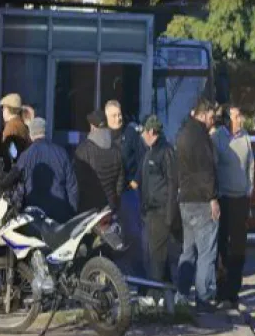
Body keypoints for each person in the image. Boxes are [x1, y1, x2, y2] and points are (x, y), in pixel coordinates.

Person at [175, 99, 220, 312]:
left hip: (185, 200)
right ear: (202, 115)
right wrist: (213, 198)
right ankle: (204, 297)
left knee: (188, 251)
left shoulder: (183, 133)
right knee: (206, 252)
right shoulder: (201, 136)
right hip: (202, 201)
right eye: (211, 118)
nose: (213, 122)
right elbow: (206, 170)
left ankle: (181, 294)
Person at [212, 105, 254, 310]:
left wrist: (249, 191)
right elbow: (212, 164)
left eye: (240, 116)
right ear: (228, 119)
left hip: (241, 200)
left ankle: (234, 291)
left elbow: (250, 167)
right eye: (236, 117)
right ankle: (221, 291)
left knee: (239, 248)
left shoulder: (246, 137)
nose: (240, 120)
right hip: (224, 199)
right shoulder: (218, 138)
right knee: (221, 248)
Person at [105, 100, 147, 275]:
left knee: (133, 238)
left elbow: (143, 159)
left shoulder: (130, 134)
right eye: (114, 115)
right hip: (109, 195)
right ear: (107, 117)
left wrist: (137, 179)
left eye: (120, 114)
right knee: (109, 240)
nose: (119, 118)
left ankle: (141, 284)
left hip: (128, 193)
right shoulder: (103, 136)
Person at [138, 115, 179, 284]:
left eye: (144, 133)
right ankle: (167, 294)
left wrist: (169, 215)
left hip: (160, 212)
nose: (142, 136)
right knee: (157, 254)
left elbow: (172, 183)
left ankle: (156, 294)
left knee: (156, 256)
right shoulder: (150, 151)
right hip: (150, 211)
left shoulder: (165, 151)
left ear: (151, 132)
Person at [16, 118, 78, 224]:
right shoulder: (62, 153)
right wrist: (71, 213)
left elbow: (19, 188)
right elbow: (72, 188)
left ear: (30, 134)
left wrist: (18, 211)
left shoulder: (25, 156)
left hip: (33, 216)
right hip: (59, 214)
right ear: (46, 132)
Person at [74, 110, 124, 213]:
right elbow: (120, 183)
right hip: (109, 209)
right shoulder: (116, 150)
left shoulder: (83, 150)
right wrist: (115, 203)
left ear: (92, 127)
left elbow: (77, 182)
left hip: (89, 210)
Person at [0, 93, 31, 166]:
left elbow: (12, 153)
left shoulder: (11, 127)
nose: (2, 112)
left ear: (8, 109)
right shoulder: (21, 124)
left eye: (3, 109)